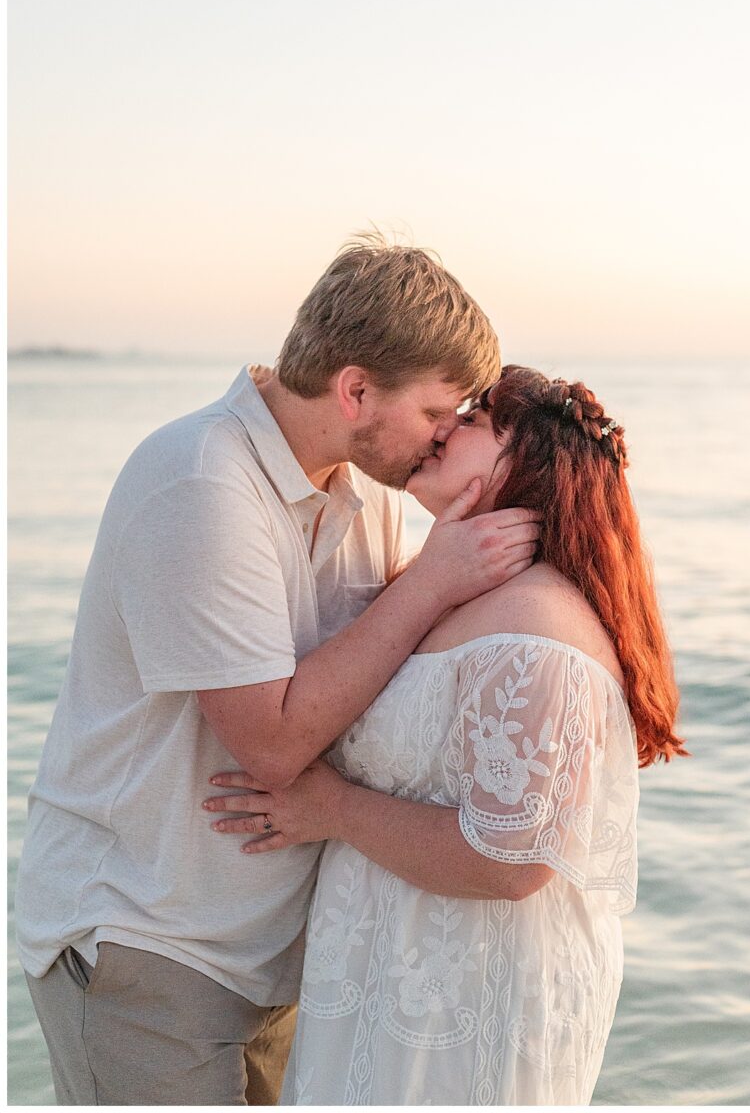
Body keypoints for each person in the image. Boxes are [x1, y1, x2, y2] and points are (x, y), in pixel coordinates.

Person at [15, 238, 538, 1106]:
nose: (444, 437)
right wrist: (438, 576)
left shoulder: (362, 488)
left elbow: (374, 664)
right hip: (150, 941)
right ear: (356, 390)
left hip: (273, 951)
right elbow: (271, 741)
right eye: (437, 417)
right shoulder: (199, 483)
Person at [205, 367, 685, 1106]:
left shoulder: (537, 628)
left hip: (470, 996)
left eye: (478, 417)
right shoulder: (444, 588)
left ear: (526, 464)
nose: (445, 426)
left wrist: (330, 809)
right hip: (386, 976)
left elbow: (513, 862)